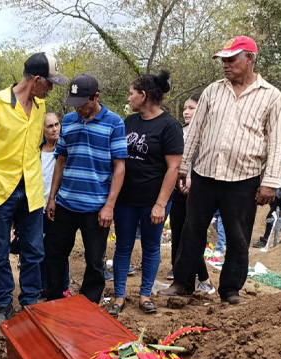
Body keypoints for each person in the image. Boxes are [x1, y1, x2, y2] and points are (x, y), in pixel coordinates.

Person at [159, 36, 281, 306]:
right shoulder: (213, 91)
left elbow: (277, 142)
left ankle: (230, 290)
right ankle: (183, 283)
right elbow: (195, 132)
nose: (225, 65)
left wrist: (271, 182)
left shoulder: (271, 96)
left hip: (243, 179)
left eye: (231, 60)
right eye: (223, 60)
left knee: (238, 237)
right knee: (192, 230)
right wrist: (184, 168)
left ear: (249, 59)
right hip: (205, 174)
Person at [0, 52, 67, 329]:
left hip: (31, 190)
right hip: (0, 189)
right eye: (49, 82)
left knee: (34, 251)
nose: (51, 88)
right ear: (36, 80)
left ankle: (30, 303)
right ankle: (2, 305)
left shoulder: (40, 106)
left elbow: (35, 148)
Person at [43, 74, 126, 305]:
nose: (78, 109)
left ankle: (88, 304)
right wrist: (52, 198)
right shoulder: (69, 121)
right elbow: (61, 160)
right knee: (55, 253)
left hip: (96, 207)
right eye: (75, 104)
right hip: (66, 203)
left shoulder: (114, 122)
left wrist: (109, 206)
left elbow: (120, 166)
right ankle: (55, 298)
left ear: (96, 97)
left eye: (83, 104)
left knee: (94, 260)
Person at [108, 71, 183, 315]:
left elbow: (173, 168)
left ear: (143, 95)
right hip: (126, 200)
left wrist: (161, 204)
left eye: (131, 93)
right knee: (123, 247)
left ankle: (144, 295)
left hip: (153, 200)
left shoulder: (169, 126)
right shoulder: (128, 122)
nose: (129, 98)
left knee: (151, 246)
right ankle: (119, 297)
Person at [167, 92, 214, 296]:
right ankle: (182, 283)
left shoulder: (209, 133)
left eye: (191, 108)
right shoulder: (179, 131)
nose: (186, 112)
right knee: (177, 236)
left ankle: (204, 280)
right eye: (185, 108)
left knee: (192, 237)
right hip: (177, 191)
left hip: (199, 192)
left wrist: (192, 179)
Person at [40, 112, 71, 296]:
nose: (55, 129)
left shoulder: (65, 150)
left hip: (60, 205)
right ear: (42, 130)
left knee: (59, 248)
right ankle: (44, 285)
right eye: (50, 126)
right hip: (38, 205)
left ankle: (62, 287)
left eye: (57, 124)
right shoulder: (36, 151)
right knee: (40, 248)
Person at [253, 168, 281, 248]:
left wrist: (276, 185)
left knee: (270, 218)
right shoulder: (276, 175)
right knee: (279, 217)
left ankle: (265, 240)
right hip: (274, 199)